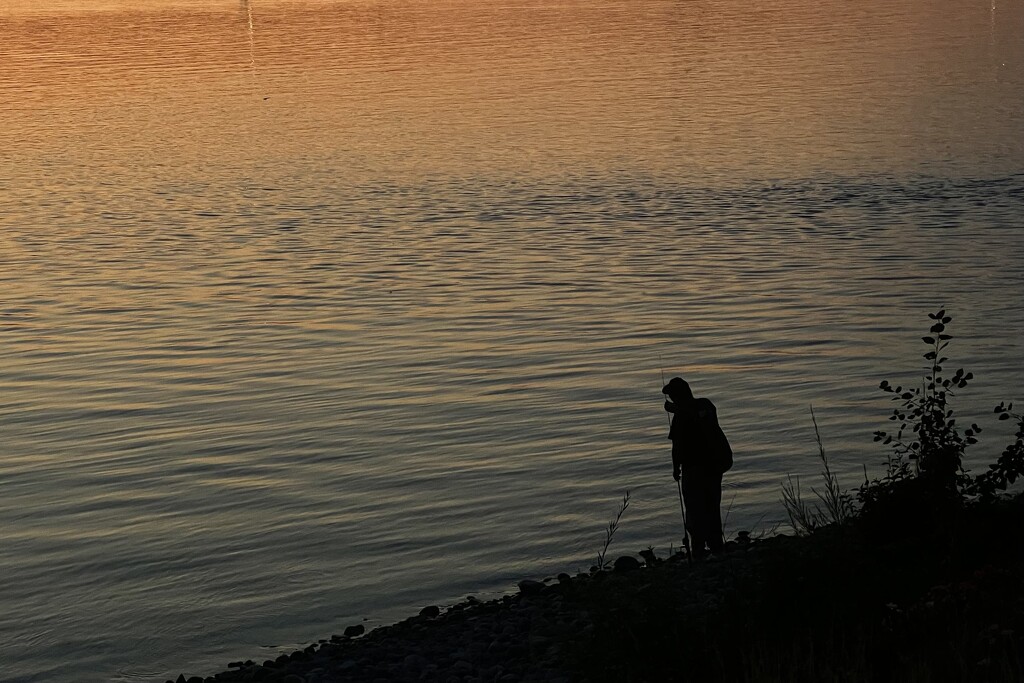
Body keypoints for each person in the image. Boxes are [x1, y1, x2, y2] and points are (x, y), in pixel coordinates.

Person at [662, 377, 732, 557]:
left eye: (672, 396)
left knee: (695, 510)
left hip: (696, 469)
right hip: (713, 467)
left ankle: (699, 550)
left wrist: (675, 467)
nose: (671, 399)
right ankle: (716, 547)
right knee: (711, 507)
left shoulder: (693, 411)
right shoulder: (703, 406)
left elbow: (676, 446)